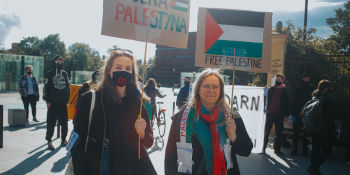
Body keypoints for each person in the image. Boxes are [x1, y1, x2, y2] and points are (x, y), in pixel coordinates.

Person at [71, 50, 156, 175]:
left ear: (133, 72)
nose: (123, 71)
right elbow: (76, 142)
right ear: (108, 70)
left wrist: (142, 133)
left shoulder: (138, 101)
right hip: (101, 164)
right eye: (118, 67)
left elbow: (148, 142)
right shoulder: (90, 99)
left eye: (128, 68)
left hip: (131, 165)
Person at [165, 69, 253, 175]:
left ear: (221, 90)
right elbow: (170, 157)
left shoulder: (231, 115)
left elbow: (247, 150)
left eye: (215, 86)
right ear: (198, 88)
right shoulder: (183, 116)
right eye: (206, 86)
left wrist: (234, 136)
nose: (211, 90)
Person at [307, 80, 336, 175]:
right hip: (324, 128)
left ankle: (314, 169)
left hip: (314, 127)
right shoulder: (327, 99)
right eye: (329, 87)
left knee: (315, 149)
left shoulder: (315, 96)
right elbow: (329, 115)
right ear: (326, 88)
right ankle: (313, 167)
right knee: (328, 149)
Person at [43, 55, 70, 150]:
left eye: (61, 61)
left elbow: (67, 87)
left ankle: (63, 139)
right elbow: (46, 88)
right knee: (51, 123)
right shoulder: (50, 73)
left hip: (63, 103)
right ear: (54, 62)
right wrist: (48, 101)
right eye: (58, 61)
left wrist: (67, 99)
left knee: (64, 123)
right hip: (53, 103)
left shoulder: (64, 73)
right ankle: (49, 140)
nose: (60, 63)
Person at [263, 73, 290, 155]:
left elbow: (288, 104)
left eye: (278, 80)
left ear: (282, 81)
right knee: (266, 132)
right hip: (269, 114)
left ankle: (277, 149)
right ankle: (263, 147)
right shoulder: (269, 90)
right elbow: (264, 100)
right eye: (276, 80)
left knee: (279, 133)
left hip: (279, 115)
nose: (277, 81)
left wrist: (286, 115)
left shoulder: (286, 92)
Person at [290, 74, 313, 155]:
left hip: (303, 114)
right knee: (298, 132)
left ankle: (300, 150)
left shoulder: (301, 87)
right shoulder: (307, 88)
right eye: (305, 78)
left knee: (302, 132)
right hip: (300, 114)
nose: (306, 80)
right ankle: (299, 150)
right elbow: (293, 101)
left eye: (307, 78)